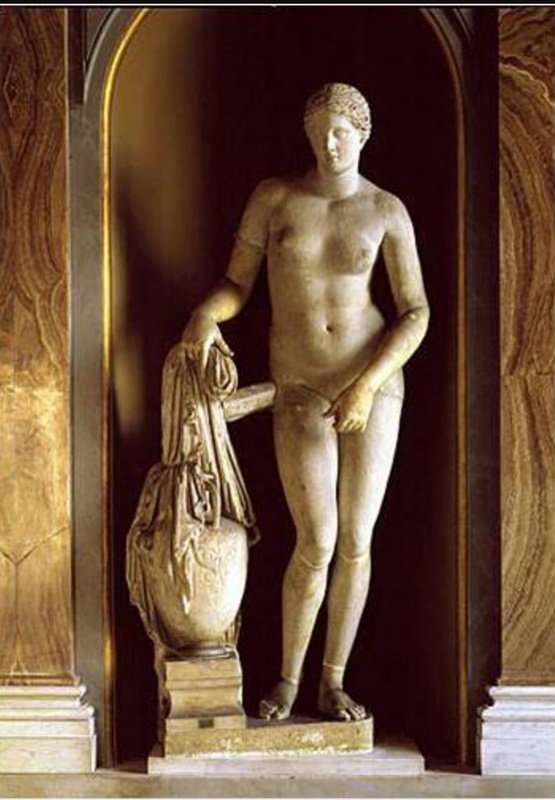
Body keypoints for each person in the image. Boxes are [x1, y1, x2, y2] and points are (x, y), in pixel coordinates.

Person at [182, 83, 429, 722]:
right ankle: (289, 680)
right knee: (316, 539)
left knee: (355, 540)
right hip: (298, 387)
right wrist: (206, 316)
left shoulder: (385, 210)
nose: (330, 143)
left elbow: (415, 312)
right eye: (320, 132)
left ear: (363, 134)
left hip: (373, 384)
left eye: (341, 131)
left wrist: (367, 384)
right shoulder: (275, 199)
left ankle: (332, 681)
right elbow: (236, 283)